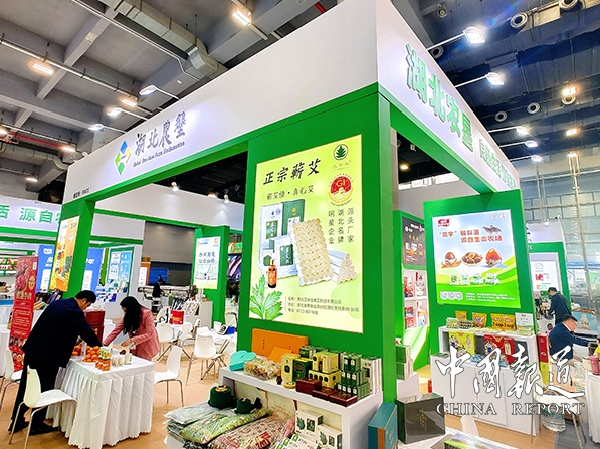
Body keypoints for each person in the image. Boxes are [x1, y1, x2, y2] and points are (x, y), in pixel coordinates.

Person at [9, 290, 101, 434]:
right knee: (44, 388)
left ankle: (16, 420)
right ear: (83, 300)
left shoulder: (58, 303)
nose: (85, 308)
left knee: (27, 386)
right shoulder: (74, 311)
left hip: (33, 350)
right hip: (47, 356)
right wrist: (99, 347)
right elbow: (86, 331)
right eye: (87, 305)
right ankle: (36, 424)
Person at [103, 296, 159, 361]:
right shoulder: (129, 315)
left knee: (142, 364)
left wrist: (133, 340)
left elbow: (151, 333)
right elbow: (117, 330)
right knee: (132, 362)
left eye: (126, 311)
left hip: (145, 346)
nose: (125, 313)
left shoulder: (146, 314)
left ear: (131, 309)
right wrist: (106, 343)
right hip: (134, 346)